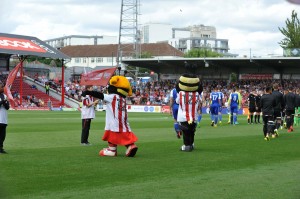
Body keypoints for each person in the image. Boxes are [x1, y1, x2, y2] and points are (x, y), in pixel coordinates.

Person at [82, 75, 138, 157]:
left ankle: (112, 150)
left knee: (112, 134)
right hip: (124, 122)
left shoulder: (112, 97)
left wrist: (88, 92)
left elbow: (100, 95)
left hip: (113, 121)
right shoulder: (123, 99)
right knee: (124, 134)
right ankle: (130, 145)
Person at [176, 74, 202, 152]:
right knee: (192, 131)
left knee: (186, 131)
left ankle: (187, 145)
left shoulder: (180, 94)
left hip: (184, 117)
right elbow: (200, 103)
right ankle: (191, 144)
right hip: (193, 117)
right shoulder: (197, 94)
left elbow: (177, 101)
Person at [0, 83, 10, 154]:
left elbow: (7, 107)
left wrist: (6, 102)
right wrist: (4, 101)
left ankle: (1, 148)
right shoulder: (3, 98)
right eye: (1, 87)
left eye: (3, 87)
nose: (2, 88)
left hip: (4, 119)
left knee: (3, 136)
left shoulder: (4, 96)